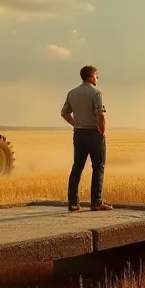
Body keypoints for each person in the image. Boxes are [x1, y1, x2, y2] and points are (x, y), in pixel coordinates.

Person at [61, 65, 112, 211]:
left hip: (79, 134)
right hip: (93, 134)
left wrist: (75, 123)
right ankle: (96, 202)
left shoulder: (72, 93)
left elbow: (64, 113)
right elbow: (101, 115)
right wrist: (101, 131)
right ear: (91, 75)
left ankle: (73, 203)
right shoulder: (96, 92)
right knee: (98, 167)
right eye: (97, 76)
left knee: (77, 167)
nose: (98, 79)